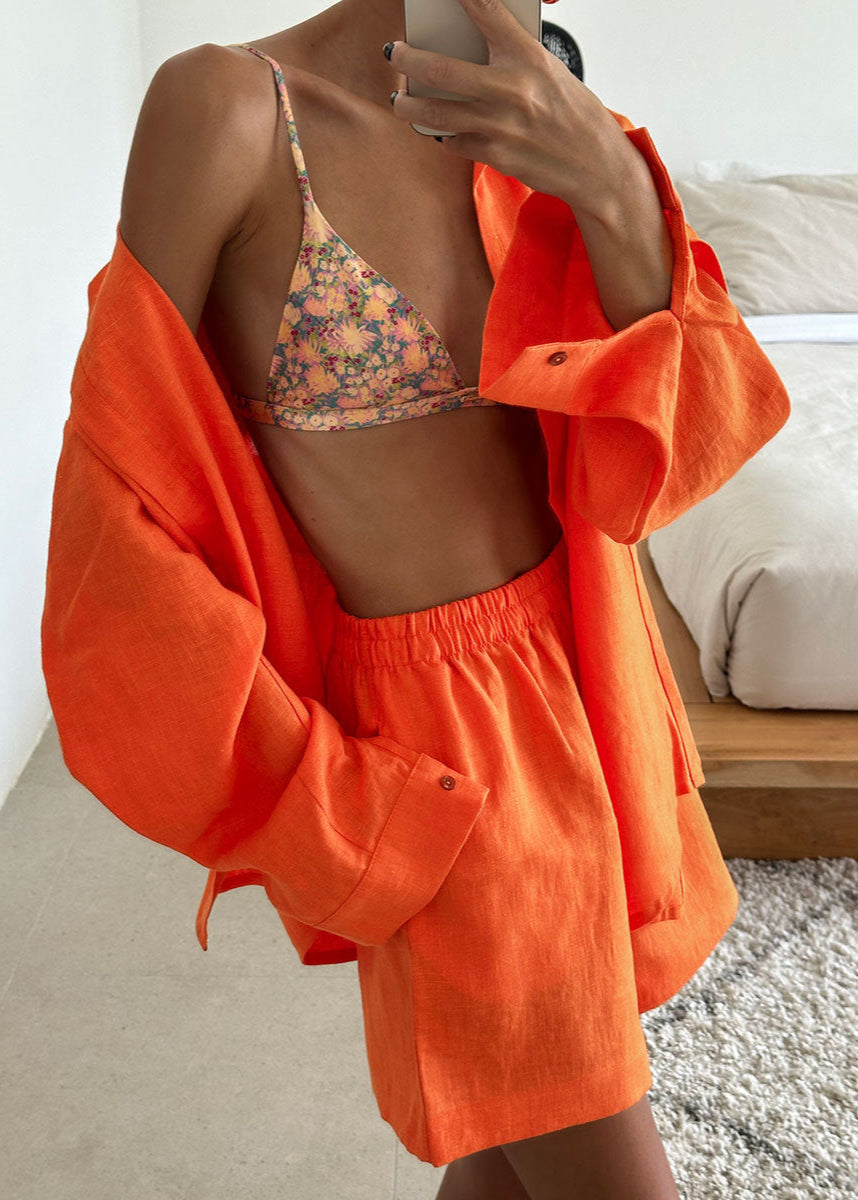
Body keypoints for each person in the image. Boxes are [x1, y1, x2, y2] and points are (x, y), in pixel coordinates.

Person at [69, 0, 789, 1196]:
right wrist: (308, 785)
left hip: (593, 677)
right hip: (438, 744)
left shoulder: (541, 116)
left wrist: (610, 181)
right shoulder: (230, 110)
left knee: (514, 1145)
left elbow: (683, 454)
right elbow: (117, 519)